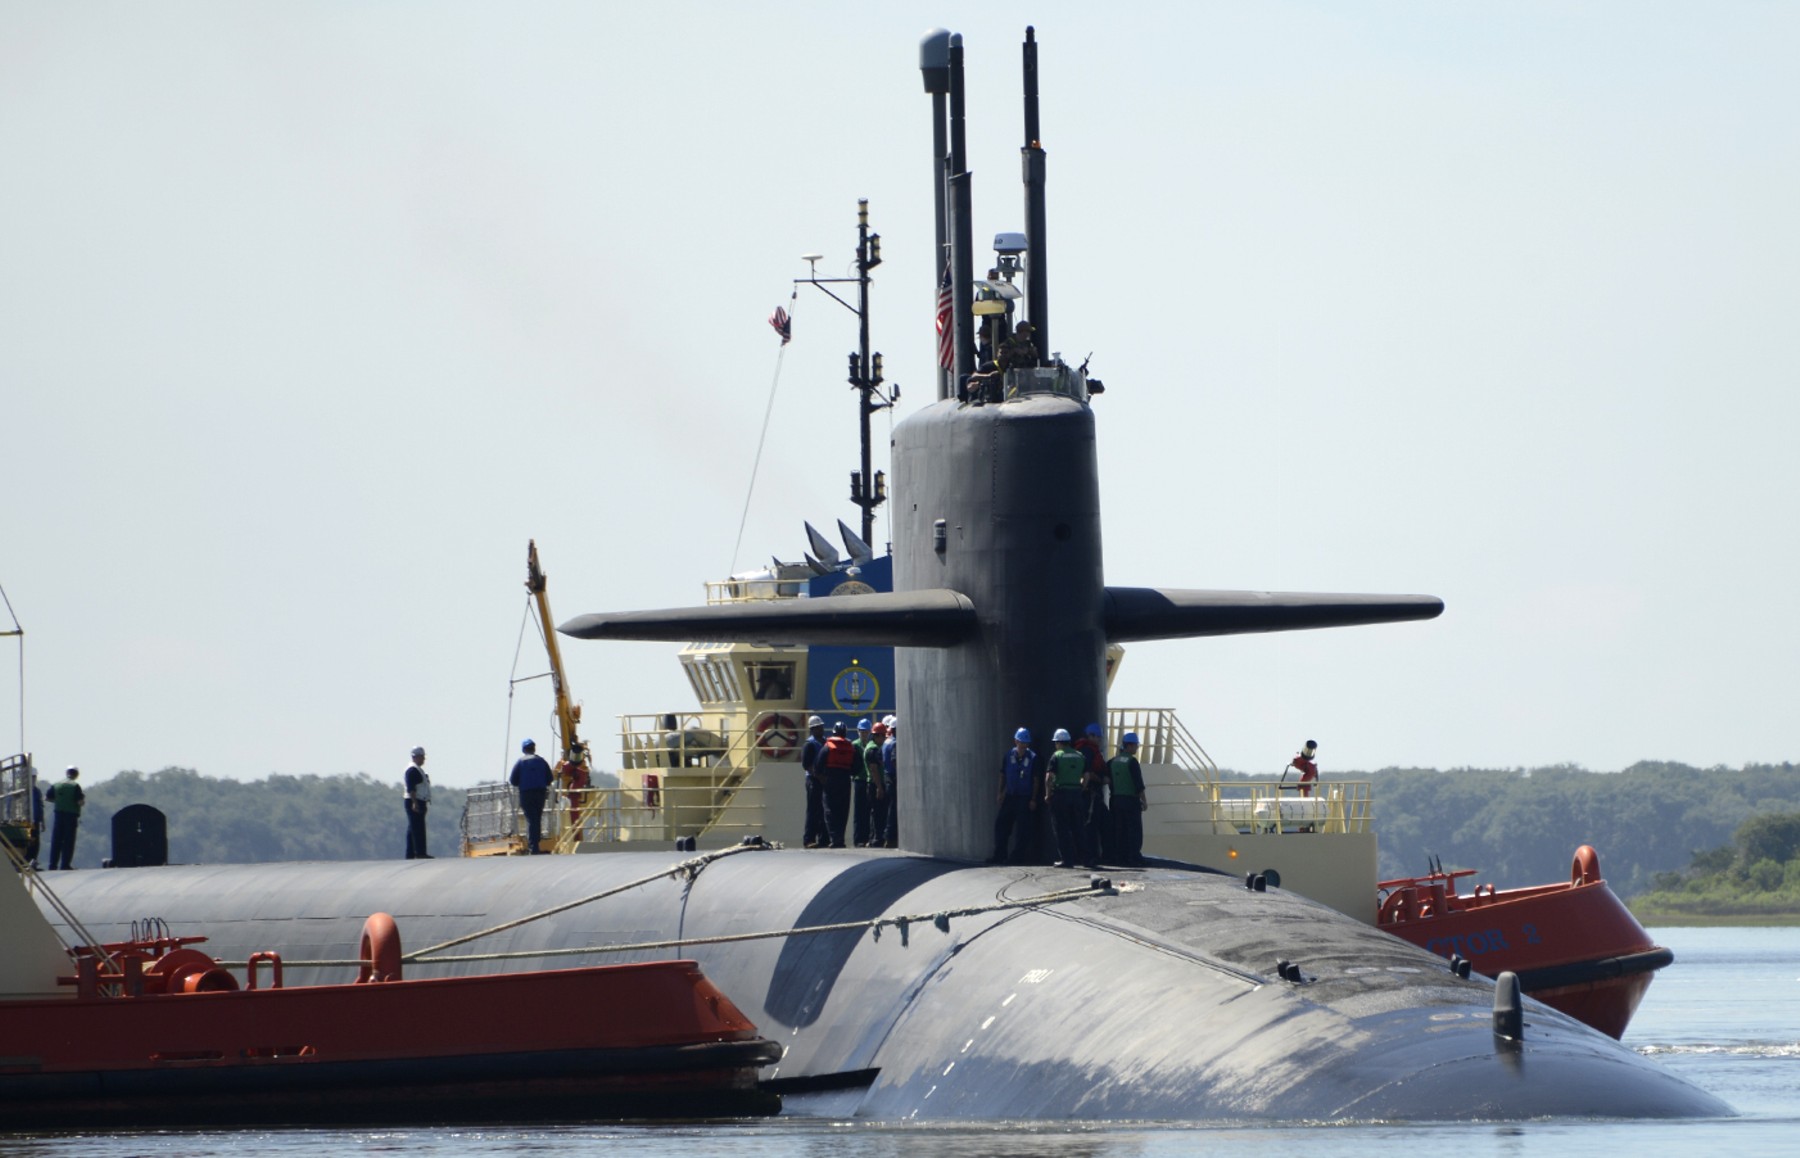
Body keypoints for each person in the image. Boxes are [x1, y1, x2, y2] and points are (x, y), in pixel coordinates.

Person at [1043, 729, 1094, 869]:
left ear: (1058, 743)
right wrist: (1081, 788)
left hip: (1061, 795)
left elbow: (1049, 777)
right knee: (1079, 828)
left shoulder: (1057, 756)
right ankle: (1086, 860)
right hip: (1076, 794)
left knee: (1061, 829)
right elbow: (1087, 776)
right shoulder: (1080, 755)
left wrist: (1048, 794)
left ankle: (1067, 860)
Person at [989, 728, 1039, 864]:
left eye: (1026, 743)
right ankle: (999, 855)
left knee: (1022, 830)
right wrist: (1000, 792)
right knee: (1001, 825)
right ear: (1016, 741)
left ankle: (1017, 857)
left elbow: (1036, 780)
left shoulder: (1033, 758)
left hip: (1024, 798)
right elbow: (1003, 775)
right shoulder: (1008, 756)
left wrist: (1033, 799)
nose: (1024, 746)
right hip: (1010, 796)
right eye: (1021, 743)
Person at [1109, 732, 1149, 867]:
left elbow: (1108, 779)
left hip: (1116, 800)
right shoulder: (1132, 762)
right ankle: (1133, 858)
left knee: (1119, 830)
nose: (1137, 748)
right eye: (1136, 745)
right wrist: (1144, 801)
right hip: (1131, 801)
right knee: (1134, 831)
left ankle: (1120, 858)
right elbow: (1139, 785)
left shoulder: (1113, 761)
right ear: (1130, 746)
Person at [1076, 722, 1113, 863]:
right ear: (1090, 736)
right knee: (1091, 827)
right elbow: (1088, 773)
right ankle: (1091, 856)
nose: (1099, 740)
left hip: (1095, 796)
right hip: (1090, 795)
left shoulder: (1091, 750)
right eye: (1097, 737)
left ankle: (1104, 856)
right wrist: (1102, 780)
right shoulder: (1087, 751)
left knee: (1105, 824)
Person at [510, 738, 555, 854]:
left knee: (531, 819)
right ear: (534, 749)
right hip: (540, 793)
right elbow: (550, 778)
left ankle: (533, 846)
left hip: (526, 794)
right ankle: (536, 843)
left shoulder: (520, 762)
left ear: (523, 749)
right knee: (537, 818)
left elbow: (513, 780)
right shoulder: (541, 761)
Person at [818, 722, 858, 848]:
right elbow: (857, 767)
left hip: (831, 779)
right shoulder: (850, 747)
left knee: (829, 809)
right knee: (843, 810)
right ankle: (840, 838)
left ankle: (834, 838)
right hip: (845, 780)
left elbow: (818, 765)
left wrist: (823, 778)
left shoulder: (827, 746)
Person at [45, 766, 84, 870]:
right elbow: (80, 802)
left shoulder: (56, 784)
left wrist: (59, 801)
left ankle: (52, 865)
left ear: (67, 773)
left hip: (58, 815)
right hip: (71, 816)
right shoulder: (75, 786)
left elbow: (47, 798)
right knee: (68, 840)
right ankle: (65, 864)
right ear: (76, 775)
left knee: (56, 840)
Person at [800, 715, 827, 848]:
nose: (820, 729)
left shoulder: (825, 742)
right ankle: (809, 839)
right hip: (813, 780)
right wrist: (819, 776)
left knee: (823, 810)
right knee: (813, 809)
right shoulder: (809, 744)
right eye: (817, 728)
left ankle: (823, 839)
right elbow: (806, 765)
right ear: (812, 729)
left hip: (823, 780)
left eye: (821, 727)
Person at [851, 718, 878, 846]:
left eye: (866, 732)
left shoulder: (872, 746)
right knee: (859, 811)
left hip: (869, 781)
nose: (864, 734)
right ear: (858, 732)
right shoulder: (855, 745)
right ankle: (859, 839)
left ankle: (868, 837)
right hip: (859, 781)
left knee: (870, 810)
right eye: (862, 732)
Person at [403, 747, 432, 859]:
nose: (423, 759)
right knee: (418, 828)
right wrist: (415, 803)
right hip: (414, 800)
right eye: (422, 757)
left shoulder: (418, 770)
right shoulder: (412, 770)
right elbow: (411, 789)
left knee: (413, 828)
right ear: (416, 757)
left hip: (419, 800)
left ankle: (411, 853)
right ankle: (420, 852)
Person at [865, 720, 890, 847]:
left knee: (876, 812)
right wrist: (879, 787)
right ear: (877, 736)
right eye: (883, 736)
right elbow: (874, 769)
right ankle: (877, 838)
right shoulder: (873, 750)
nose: (884, 738)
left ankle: (874, 838)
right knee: (878, 812)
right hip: (875, 784)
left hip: (874, 783)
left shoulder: (872, 747)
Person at [879, 715, 899, 848]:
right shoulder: (895, 743)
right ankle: (890, 837)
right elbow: (895, 761)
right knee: (893, 809)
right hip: (893, 777)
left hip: (886, 777)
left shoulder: (886, 742)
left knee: (889, 808)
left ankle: (887, 836)